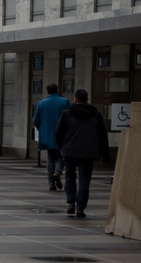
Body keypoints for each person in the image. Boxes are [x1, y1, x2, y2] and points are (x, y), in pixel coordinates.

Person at [55, 89, 110, 219]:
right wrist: (105, 155)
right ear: (87, 100)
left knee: (70, 175)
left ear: (75, 99)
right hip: (88, 152)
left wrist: (62, 148)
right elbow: (102, 135)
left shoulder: (67, 114)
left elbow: (59, 134)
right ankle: (80, 207)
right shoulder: (95, 114)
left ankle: (71, 202)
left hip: (70, 152)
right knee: (85, 180)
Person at [32, 84, 70, 191]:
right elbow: (69, 118)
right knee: (62, 156)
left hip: (48, 134)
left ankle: (51, 183)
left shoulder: (41, 103)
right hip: (62, 134)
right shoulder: (65, 101)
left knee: (51, 157)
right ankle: (58, 172)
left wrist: (43, 129)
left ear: (47, 91)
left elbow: (36, 120)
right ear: (57, 90)